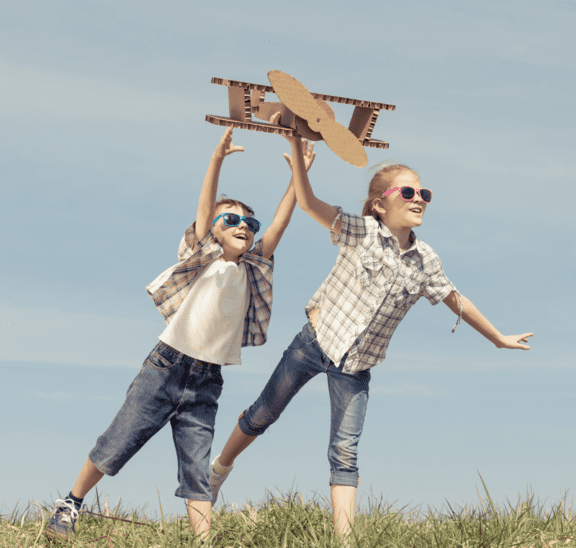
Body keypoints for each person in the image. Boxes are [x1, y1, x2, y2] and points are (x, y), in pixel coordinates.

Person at [208, 133, 534, 546]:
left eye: (424, 193)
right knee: (262, 415)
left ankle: (344, 541)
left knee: (345, 452)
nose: (419, 199)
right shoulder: (361, 230)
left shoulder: (425, 259)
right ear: (381, 203)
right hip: (315, 342)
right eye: (409, 191)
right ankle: (219, 470)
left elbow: (456, 299)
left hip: (357, 364)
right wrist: (296, 152)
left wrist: (497, 339)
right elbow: (309, 206)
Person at [44, 124, 316, 545]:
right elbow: (205, 211)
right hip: (166, 366)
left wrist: (299, 174)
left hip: (207, 380)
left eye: (249, 221)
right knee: (118, 442)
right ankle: (70, 504)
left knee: (197, 466)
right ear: (213, 229)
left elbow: (279, 225)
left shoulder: (253, 266)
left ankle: (203, 541)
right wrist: (217, 160)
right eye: (232, 220)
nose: (243, 225)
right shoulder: (200, 255)